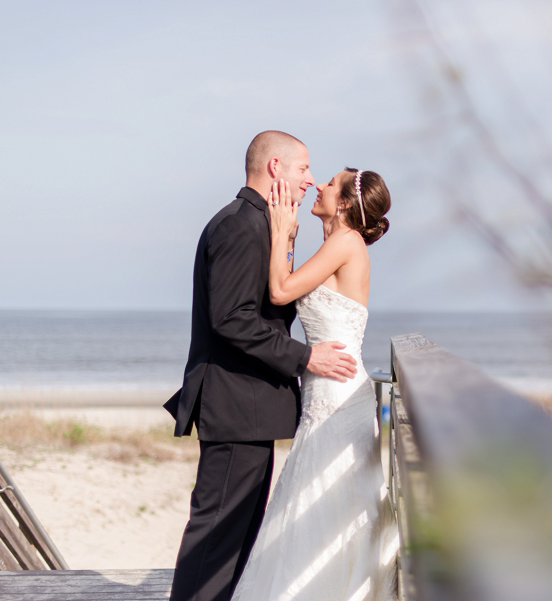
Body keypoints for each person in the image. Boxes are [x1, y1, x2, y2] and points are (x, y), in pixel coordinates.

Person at [164, 131, 359, 601]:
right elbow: (231, 318)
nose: (310, 181)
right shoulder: (238, 226)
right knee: (213, 542)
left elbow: (270, 305)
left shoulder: (262, 224)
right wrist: (305, 356)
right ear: (275, 168)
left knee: (235, 546)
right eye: (302, 169)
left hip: (249, 410)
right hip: (235, 406)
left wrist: (286, 241)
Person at [230, 168, 397, 601]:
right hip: (325, 389)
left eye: (329, 182)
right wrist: (286, 239)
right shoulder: (336, 243)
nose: (318, 184)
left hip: (338, 393)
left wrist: (284, 233)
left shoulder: (345, 243)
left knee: (325, 497)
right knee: (316, 496)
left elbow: (281, 291)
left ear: (342, 203)